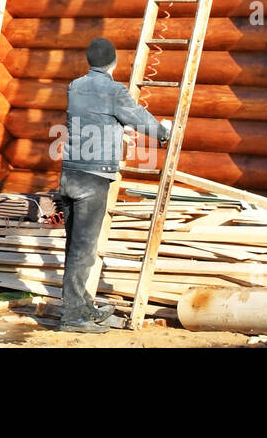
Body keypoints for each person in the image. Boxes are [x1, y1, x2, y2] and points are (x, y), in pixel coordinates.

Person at [56, 37, 170, 333]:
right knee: (84, 249)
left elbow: (96, 118)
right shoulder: (114, 90)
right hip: (93, 177)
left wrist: (117, 130)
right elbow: (137, 116)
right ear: (114, 62)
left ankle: (81, 306)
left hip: (69, 173)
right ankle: (73, 317)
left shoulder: (75, 86)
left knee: (75, 245)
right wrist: (162, 132)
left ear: (89, 61)